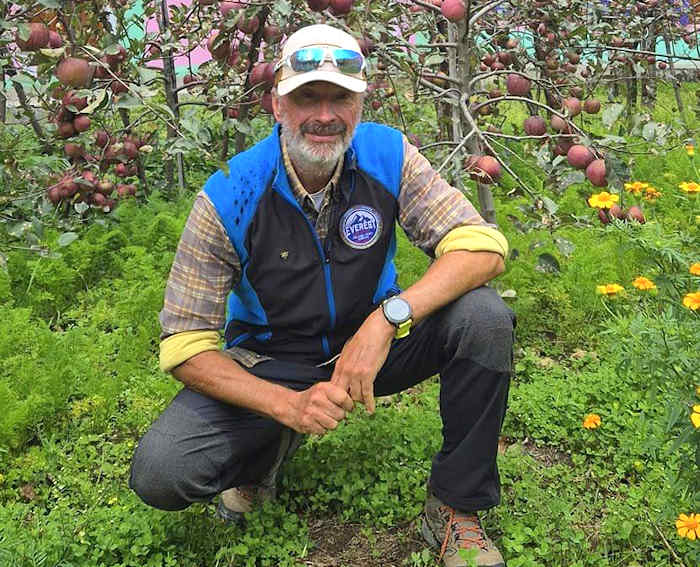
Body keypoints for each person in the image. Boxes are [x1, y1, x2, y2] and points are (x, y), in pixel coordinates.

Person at [129, 23, 514, 567]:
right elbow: (185, 344)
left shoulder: (388, 156)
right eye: (307, 95)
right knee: (162, 471)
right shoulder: (230, 193)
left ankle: (455, 507)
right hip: (273, 360)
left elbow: (482, 247)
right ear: (277, 104)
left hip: (373, 346)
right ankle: (263, 456)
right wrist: (287, 404)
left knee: (483, 316)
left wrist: (387, 320)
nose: (325, 114)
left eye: (340, 97)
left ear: (361, 103)